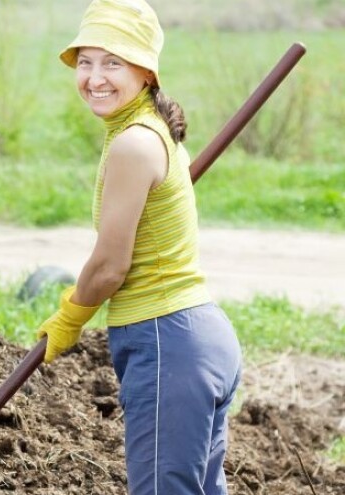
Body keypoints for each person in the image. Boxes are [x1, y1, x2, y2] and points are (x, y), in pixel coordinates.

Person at [36, 1, 242, 493]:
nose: (94, 77)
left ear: (146, 72)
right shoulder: (149, 132)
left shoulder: (134, 143)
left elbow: (110, 265)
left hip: (165, 339)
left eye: (113, 62)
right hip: (196, 335)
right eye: (85, 61)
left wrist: (70, 317)